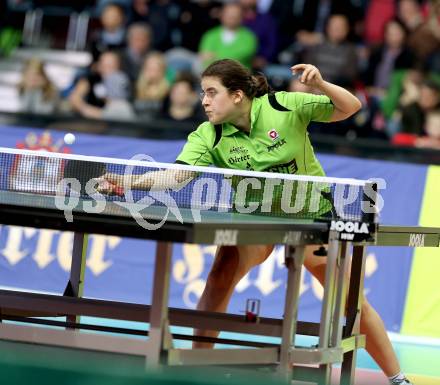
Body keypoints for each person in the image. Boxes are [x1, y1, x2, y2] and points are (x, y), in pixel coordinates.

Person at [100, 59, 413, 385]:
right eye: (202, 93)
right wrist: (130, 183)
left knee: (350, 299)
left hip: (311, 217)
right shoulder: (209, 135)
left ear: (237, 95)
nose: (204, 101)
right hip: (256, 221)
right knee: (220, 274)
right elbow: (176, 176)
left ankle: (398, 378)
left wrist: (320, 84)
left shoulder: (284, 105)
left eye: (211, 92)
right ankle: (195, 371)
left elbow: (350, 107)